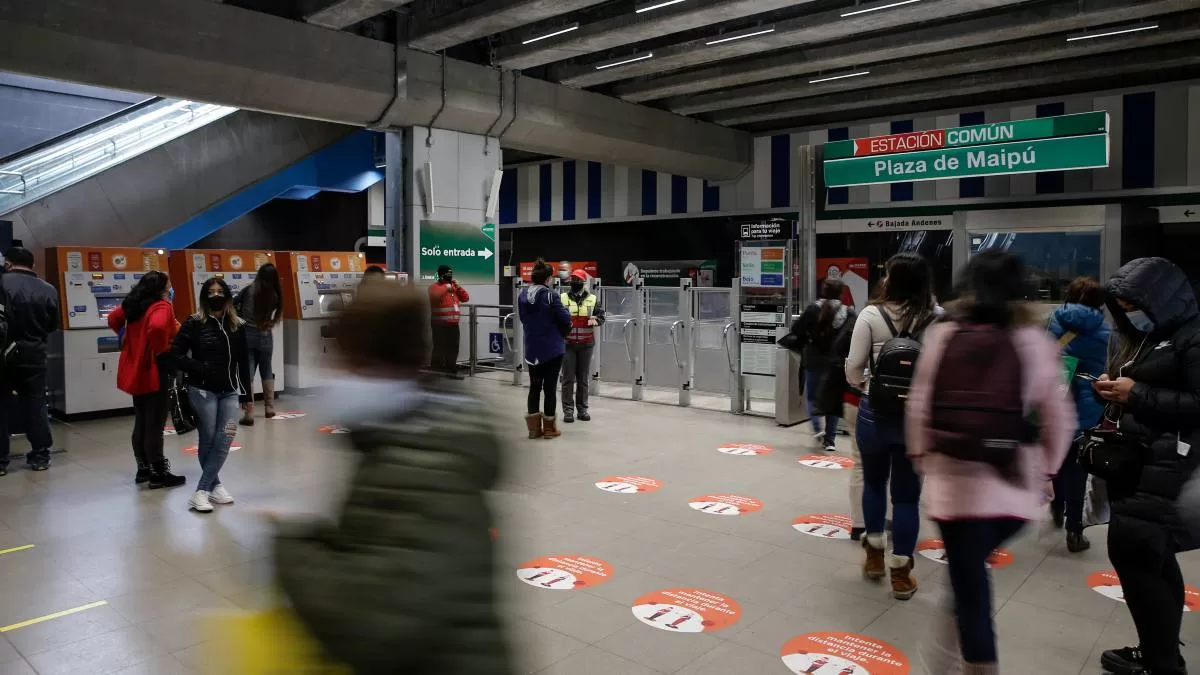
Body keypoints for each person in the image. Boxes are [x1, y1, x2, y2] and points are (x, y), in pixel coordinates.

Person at [273, 282, 511, 675]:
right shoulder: (413, 439)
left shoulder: (418, 463)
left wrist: (292, 545)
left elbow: (374, 624)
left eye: (345, 359)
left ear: (368, 362)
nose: (335, 373)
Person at [906, 250, 1073, 675]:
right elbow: (1058, 418)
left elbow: (919, 405)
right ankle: (942, 663)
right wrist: (1048, 470)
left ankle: (972, 666)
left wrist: (921, 456)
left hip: (955, 491)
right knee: (966, 578)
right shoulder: (1033, 341)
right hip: (1013, 492)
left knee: (969, 587)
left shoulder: (943, 335)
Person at [1092, 257, 1200, 675]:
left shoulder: (1191, 338)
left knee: (1138, 561)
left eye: (1132, 303)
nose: (1127, 312)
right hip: (1145, 466)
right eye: (1120, 304)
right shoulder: (1156, 336)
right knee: (1154, 563)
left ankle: (1161, 663)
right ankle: (1161, 653)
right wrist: (1115, 391)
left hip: (1167, 470)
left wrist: (1137, 394)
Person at [845, 252, 938, 600]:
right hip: (917, 419)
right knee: (907, 498)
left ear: (892, 280)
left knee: (873, 483)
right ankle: (900, 575)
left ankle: (872, 557)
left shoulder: (871, 315)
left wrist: (869, 386)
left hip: (875, 414)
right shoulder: (937, 319)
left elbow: (853, 368)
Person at [171, 277, 248, 513]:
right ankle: (211, 487)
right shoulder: (194, 322)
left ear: (227, 295)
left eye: (220, 291)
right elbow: (176, 354)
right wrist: (200, 368)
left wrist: (246, 396)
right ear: (204, 297)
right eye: (211, 292)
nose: (216, 295)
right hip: (202, 391)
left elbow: (244, 362)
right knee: (209, 439)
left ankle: (203, 489)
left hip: (230, 391)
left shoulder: (237, 325)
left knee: (225, 439)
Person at [1046, 276, 1111, 552]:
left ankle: (1056, 504)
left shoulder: (1053, 322)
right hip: (1087, 405)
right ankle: (1075, 529)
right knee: (1078, 465)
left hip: (1055, 399)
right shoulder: (1105, 332)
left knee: (1058, 456)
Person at [107, 271, 186, 489]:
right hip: (153, 370)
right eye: (169, 285)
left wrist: (129, 338)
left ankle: (143, 468)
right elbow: (159, 327)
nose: (171, 289)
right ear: (162, 288)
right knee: (155, 423)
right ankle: (158, 472)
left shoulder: (135, 304)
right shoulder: (161, 306)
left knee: (142, 419)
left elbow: (113, 318)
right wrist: (161, 350)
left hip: (135, 370)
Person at [0, 247, 59, 475]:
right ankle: (40, 456)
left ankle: (1, 462)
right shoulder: (48, 289)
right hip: (34, 356)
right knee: (36, 405)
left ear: (8, 263)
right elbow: (52, 324)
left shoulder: (2, 285)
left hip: (3, 357)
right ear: (32, 265)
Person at [790, 277, 856, 451]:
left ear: (823, 291)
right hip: (836, 363)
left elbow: (795, 330)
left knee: (812, 397)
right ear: (841, 292)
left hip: (813, 360)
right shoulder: (849, 312)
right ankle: (830, 440)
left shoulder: (813, 309)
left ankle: (817, 429)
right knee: (833, 401)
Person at [518, 259, 570, 439]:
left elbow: (523, 319)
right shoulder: (551, 295)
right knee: (549, 389)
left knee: (534, 387)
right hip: (552, 349)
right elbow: (564, 319)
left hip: (532, 350)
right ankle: (549, 429)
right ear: (548, 278)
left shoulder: (523, 295)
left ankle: (533, 429)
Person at [235, 263, 282, 425]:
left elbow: (234, 304)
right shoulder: (275, 295)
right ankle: (269, 408)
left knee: (248, 374)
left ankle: (249, 414)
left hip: (247, 335)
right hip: (265, 334)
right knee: (267, 369)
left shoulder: (249, 290)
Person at [560, 269, 605, 423]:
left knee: (583, 379)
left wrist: (593, 320)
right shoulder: (563, 298)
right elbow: (556, 318)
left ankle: (582, 409)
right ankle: (568, 410)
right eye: (573, 279)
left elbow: (602, 317)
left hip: (586, 344)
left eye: (578, 280)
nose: (575, 282)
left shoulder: (593, 299)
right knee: (567, 379)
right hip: (567, 345)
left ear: (583, 282)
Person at [428, 265, 469, 377]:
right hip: (439, 324)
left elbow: (465, 298)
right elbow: (436, 295)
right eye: (447, 273)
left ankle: (450, 369)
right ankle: (436, 369)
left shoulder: (454, 287)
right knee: (439, 347)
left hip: (453, 325)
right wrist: (447, 287)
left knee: (453, 348)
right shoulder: (434, 287)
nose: (450, 275)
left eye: (451, 273)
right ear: (441, 275)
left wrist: (459, 287)